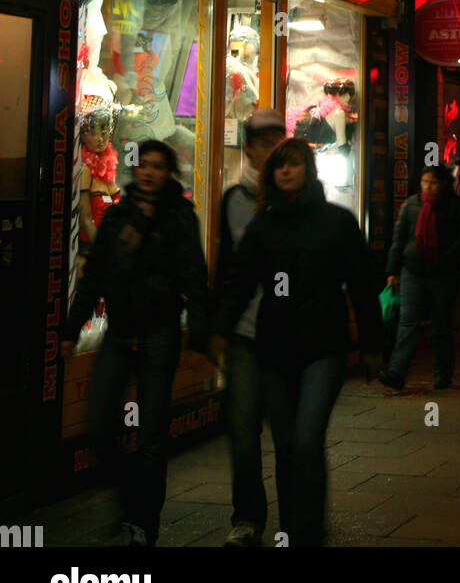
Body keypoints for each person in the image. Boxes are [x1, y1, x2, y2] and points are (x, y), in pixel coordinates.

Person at [213, 138, 381, 546]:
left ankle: (307, 533)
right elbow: (239, 283)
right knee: (287, 444)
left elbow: (361, 285)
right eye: (279, 166)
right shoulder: (263, 225)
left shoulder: (337, 222)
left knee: (306, 440)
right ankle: (294, 529)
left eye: (293, 164)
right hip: (274, 348)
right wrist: (219, 331)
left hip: (324, 346)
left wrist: (374, 344)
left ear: (308, 168)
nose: (286, 171)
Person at [60, 140, 211, 547]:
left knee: (150, 436)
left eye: (159, 167)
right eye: (144, 165)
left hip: (159, 335)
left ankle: (145, 523)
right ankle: (130, 496)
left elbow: (195, 278)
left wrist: (199, 336)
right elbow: (93, 278)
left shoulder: (179, 217)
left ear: (169, 173)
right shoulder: (118, 215)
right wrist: (72, 331)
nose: (149, 172)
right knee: (98, 426)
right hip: (119, 333)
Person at [214, 108, 286, 547]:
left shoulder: (298, 197)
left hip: (288, 336)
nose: (271, 150)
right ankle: (247, 518)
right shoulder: (232, 199)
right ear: (249, 147)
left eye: (278, 142)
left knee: (289, 432)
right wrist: (217, 325)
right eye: (263, 142)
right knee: (242, 431)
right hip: (243, 334)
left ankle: (296, 515)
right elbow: (227, 269)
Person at [378, 165, 460, 391]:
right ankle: (397, 372)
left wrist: (447, 259)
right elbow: (398, 239)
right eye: (424, 181)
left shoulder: (455, 207)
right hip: (413, 272)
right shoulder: (412, 205)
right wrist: (392, 271)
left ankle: (443, 374)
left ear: (443, 184)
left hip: (443, 275)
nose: (428, 187)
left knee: (442, 325)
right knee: (407, 322)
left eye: (433, 182)